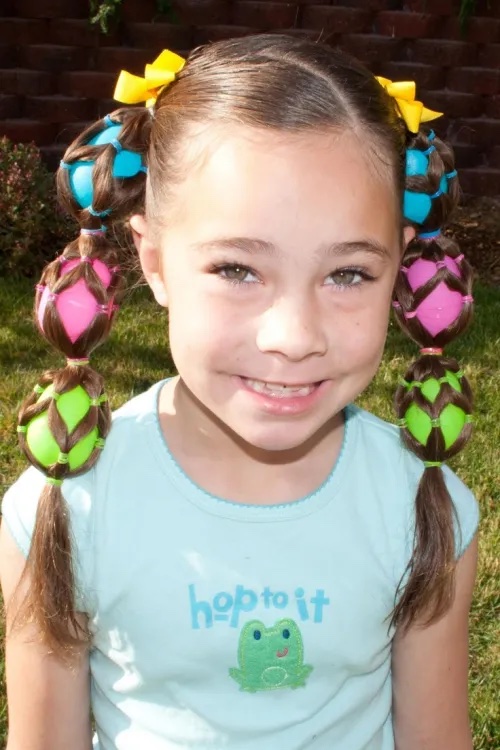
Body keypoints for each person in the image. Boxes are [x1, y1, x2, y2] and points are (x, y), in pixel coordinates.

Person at [0, 34, 479, 750]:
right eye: (236, 269)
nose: (293, 335)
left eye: (348, 273)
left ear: (401, 267)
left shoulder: (421, 504)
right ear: (153, 261)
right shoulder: (64, 504)